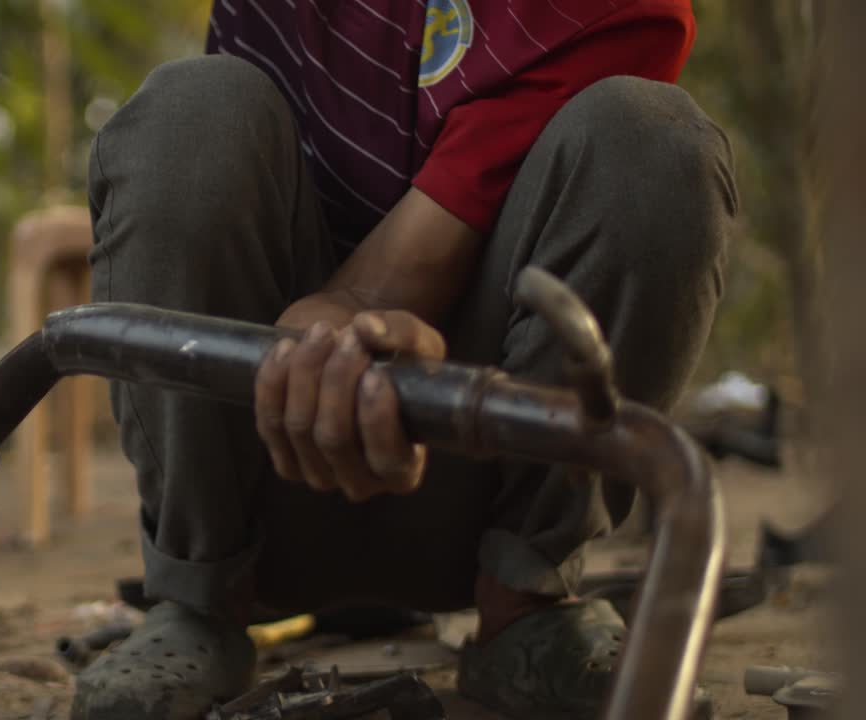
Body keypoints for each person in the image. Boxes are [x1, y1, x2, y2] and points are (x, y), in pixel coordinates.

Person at [74, 0, 736, 718]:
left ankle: (527, 604)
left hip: (485, 467)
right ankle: (197, 597)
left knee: (655, 144)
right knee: (190, 113)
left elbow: (471, 194)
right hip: (261, 460)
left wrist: (353, 308)